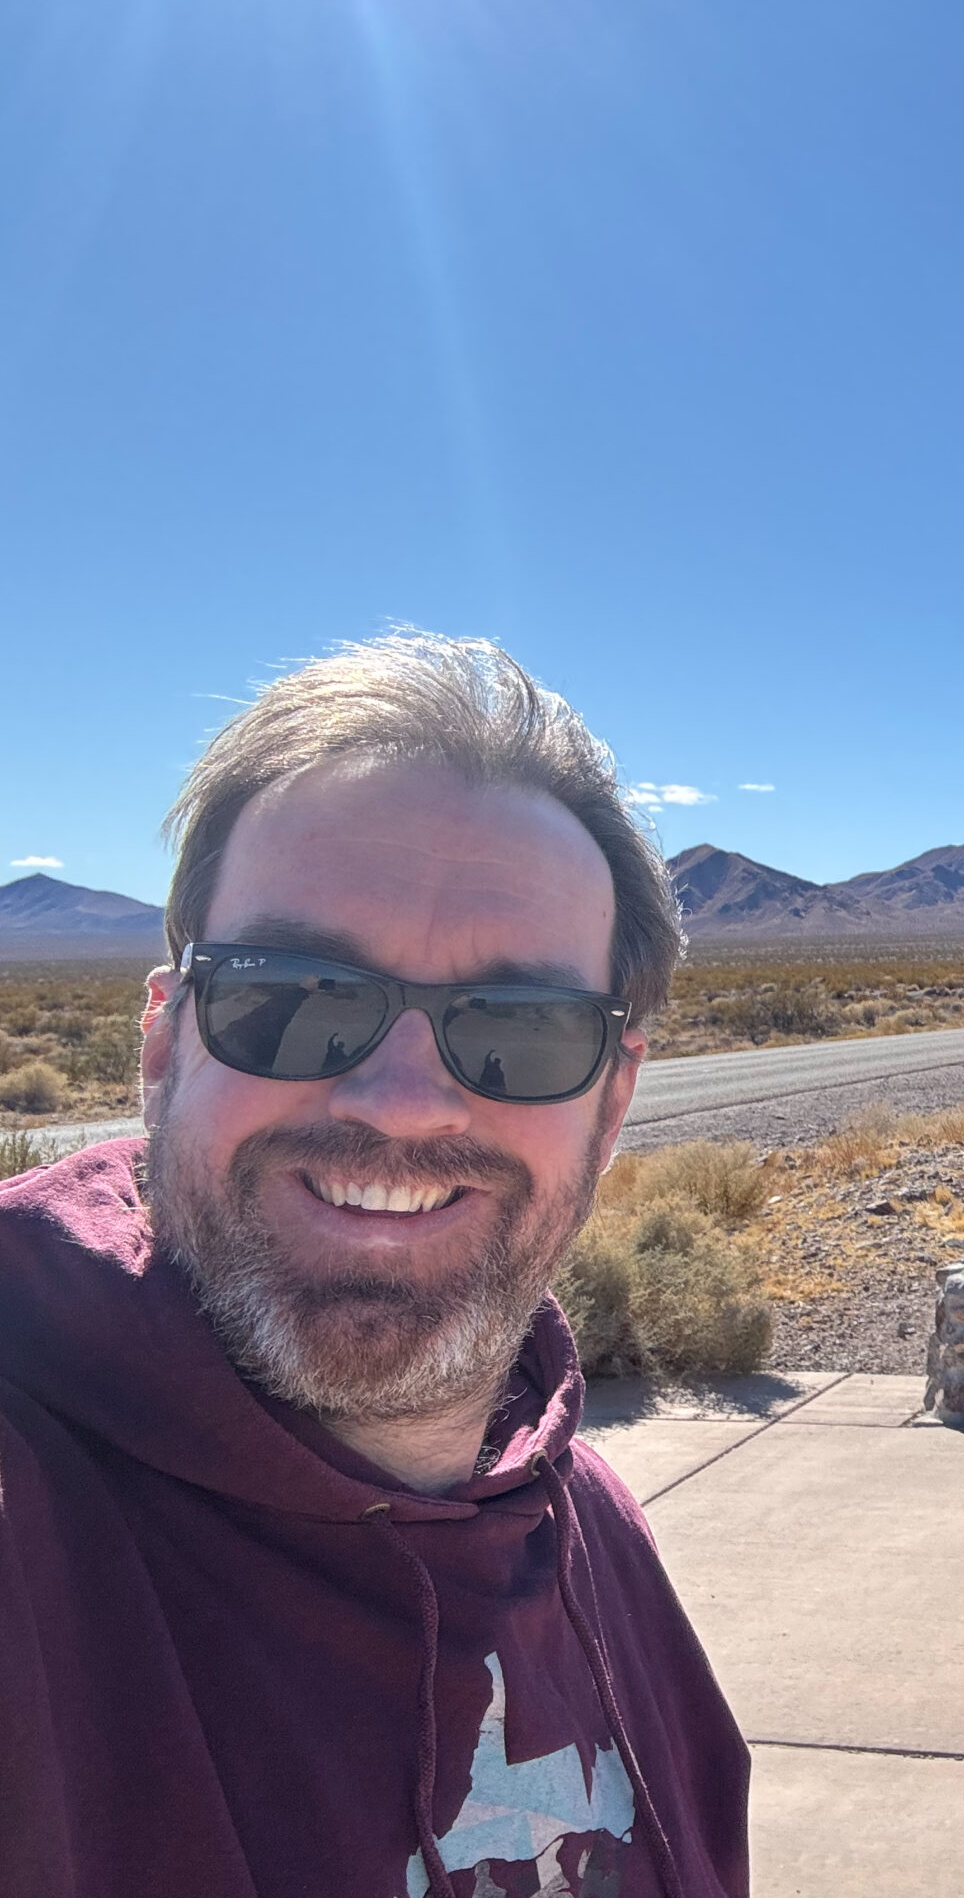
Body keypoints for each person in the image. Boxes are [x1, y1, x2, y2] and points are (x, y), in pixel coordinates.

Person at [0, 635, 747, 1896]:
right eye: (293, 993)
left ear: (613, 1102)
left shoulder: (589, 1525)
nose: (402, 1103)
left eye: (519, 1027)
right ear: (164, 1040)